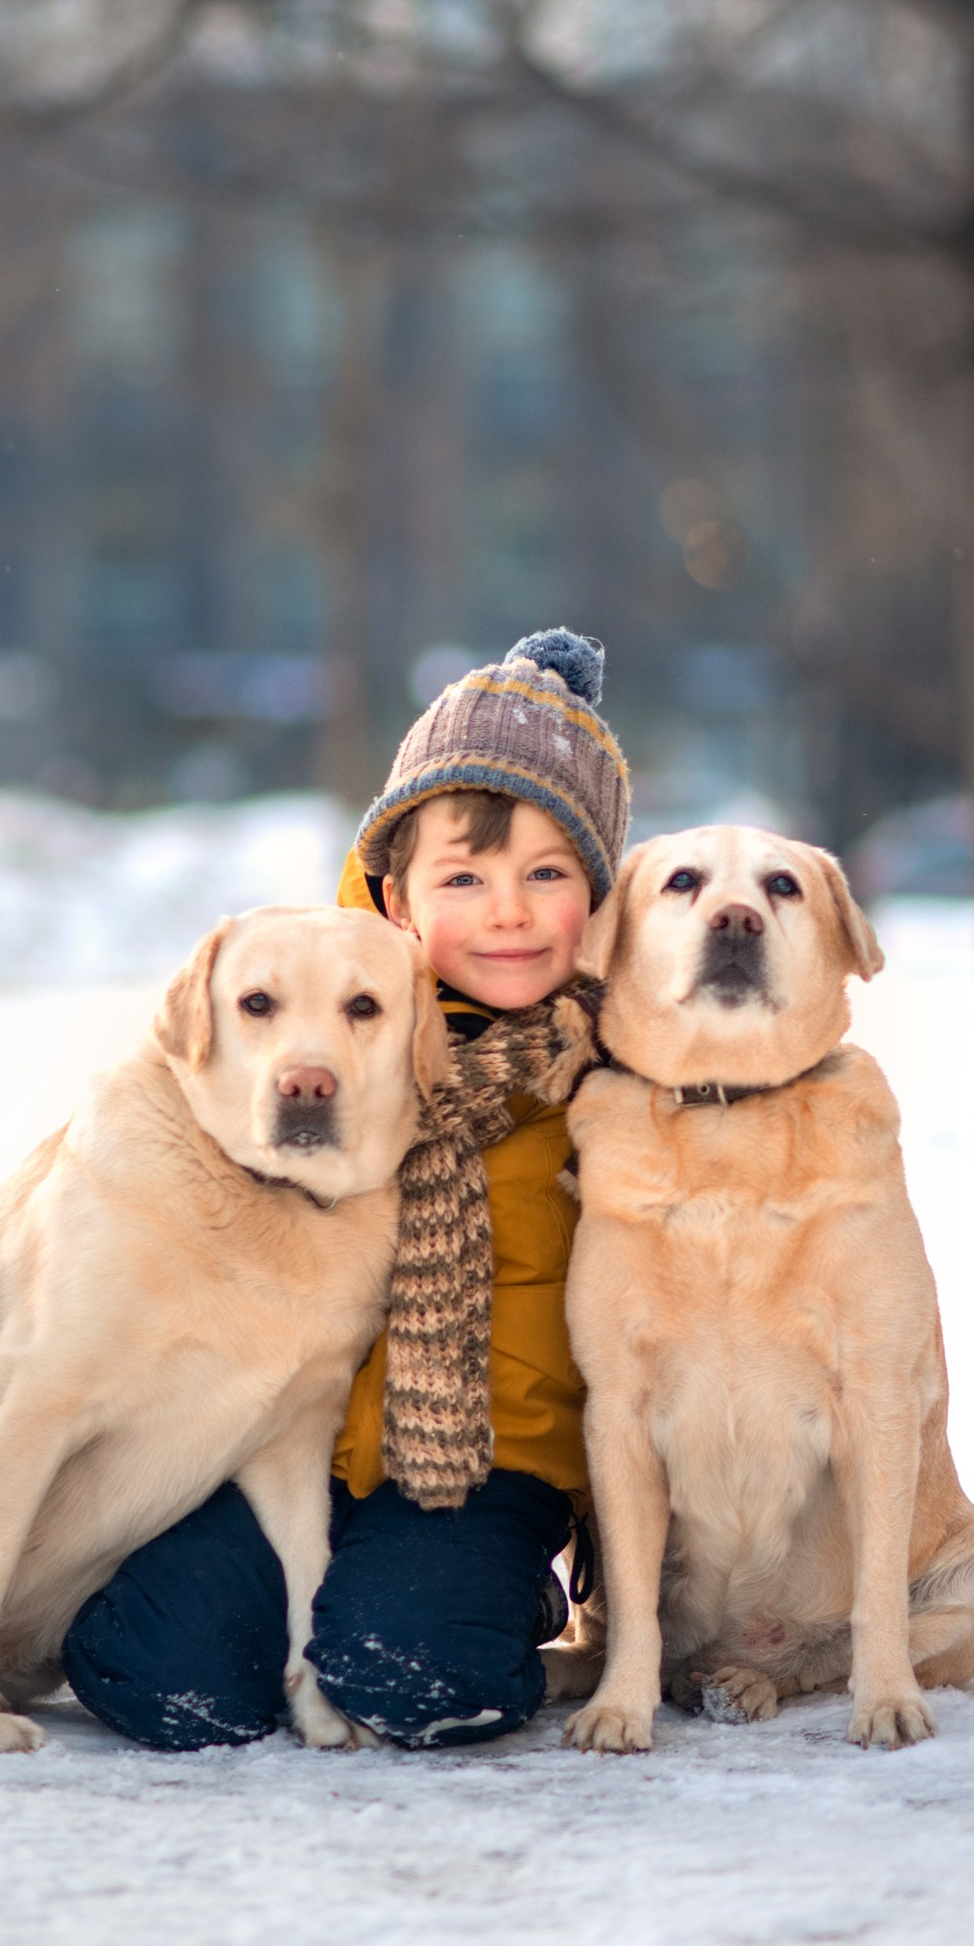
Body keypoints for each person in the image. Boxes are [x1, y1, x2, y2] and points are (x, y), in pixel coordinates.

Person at [61, 629, 630, 1750]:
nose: (506, 911)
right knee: (146, 1664)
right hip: (289, 1436)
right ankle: (301, 1610)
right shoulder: (316, 1025)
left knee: (414, 1670)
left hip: (489, 1461)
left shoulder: (616, 1070)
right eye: (463, 877)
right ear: (396, 898)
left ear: (598, 892)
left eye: (545, 874)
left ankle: (489, 1597)